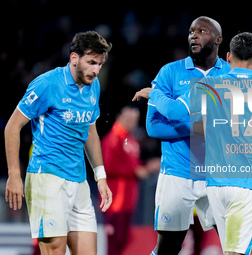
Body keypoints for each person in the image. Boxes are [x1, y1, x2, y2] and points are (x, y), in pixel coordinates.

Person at [133, 32, 252, 255]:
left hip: (215, 184)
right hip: (247, 184)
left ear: (228, 57)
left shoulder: (209, 85)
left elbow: (174, 111)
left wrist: (154, 94)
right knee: (237, 251)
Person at [5, 31, 113, 255]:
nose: (96, 70)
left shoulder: (93, 86)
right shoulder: (47, 84)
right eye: (91, 62)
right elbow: (12, 127)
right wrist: (14, 175)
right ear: (74, 58)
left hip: (79, 181)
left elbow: (90, 129)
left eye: (100, 64)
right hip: (48, 178)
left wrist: (100, 176)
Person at [145, 16, 231, 255]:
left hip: (219, 174)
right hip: (177, 172)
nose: (194, 35)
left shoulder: (231, 75)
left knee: (235, 245)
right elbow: (153, 127)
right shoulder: (169, 73)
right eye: (191, 31)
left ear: (218, 39)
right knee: (169, 247)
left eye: (202, 31)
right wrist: (195, 128)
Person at [101, 106, 160, 255]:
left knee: (123, 239)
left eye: (135, 120)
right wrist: (137, 171)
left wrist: (146, 167)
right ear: (119, 117)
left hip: (128, 198)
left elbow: (133, 164)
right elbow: (107, 166)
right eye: (129, 119)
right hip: (116, 199)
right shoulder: (113, 138)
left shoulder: (130, 140)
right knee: (115, 241)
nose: (132, 122)